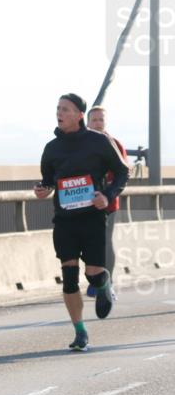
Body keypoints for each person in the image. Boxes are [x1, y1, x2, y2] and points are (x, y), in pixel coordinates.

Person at [35, 93, 128, 352]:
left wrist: (107, 196)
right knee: (69, 277)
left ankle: (103, 284)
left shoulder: (99, 142)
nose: (59, 113)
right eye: (58, 108)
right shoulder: (51, 148)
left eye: (65, 109)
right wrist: (43, 190)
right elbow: (48, 180)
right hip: (64, 219)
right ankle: (80, 332)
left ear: (79, 115)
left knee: (93, 273)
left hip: (92, 217)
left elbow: (123, 171)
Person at [85, 105, 128, 297]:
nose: (97, 123)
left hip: (108, 204)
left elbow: (122, 173)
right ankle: (95, 280)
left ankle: (108, 282)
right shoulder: (80, 144)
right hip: (84, 205)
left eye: (101, 120)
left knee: (105, 242)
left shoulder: (114, 144)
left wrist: (107, 194)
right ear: (87, 122)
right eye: (94, 120)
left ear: (106, 122)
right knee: (87, 243)